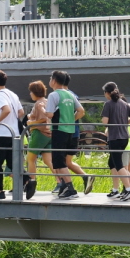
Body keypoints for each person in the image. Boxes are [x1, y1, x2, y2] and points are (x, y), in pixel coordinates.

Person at [47, 70, 86, 200]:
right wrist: (71, 120)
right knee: (59, 161)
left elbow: (50, 115)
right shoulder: (70, 94)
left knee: (60, 161)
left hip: (59, 130)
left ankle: (70, 188)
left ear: (54, 80)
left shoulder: (53, 95)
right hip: (70, 131)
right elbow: (81, 111)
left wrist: (42, 111)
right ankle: (64, 187)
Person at [0, 70, 22, 199]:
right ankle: (27, 180)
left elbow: (6, 110)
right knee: (12, 163)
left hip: (2, 134)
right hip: (14, 134)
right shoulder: (13, 94)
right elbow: (21, 112)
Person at [101, 82, 130, 197]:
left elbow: (105, 122)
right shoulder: (124, 103)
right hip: (124, 137)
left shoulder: (108, 104)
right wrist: (125, 123)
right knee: (112, 163)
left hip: (114, 137)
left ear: (107, 93)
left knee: (119, 165)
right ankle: (115, 190)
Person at [23, 80, 52, 194]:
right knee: (48, 160)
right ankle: (61, 181)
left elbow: (45, 118)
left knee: (30, 159)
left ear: (35, 92)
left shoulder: (39, 103)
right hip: (49, 134)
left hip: (39, 134)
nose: (30, 94)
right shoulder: (47, 101)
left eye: (31, 92)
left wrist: (32, 123)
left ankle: (32, 182)